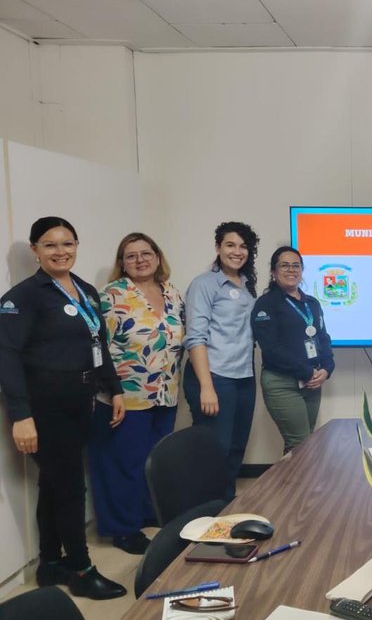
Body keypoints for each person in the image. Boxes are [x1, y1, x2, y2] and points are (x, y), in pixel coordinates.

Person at [0, 217, 127, 599]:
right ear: (35, 251)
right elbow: (6, 356)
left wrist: (114, 388)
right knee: (70, 486)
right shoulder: (23, 297)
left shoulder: (85, 290)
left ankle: (50, 562)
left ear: (76, 245)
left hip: (80, 401)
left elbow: (98, 343)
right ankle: (81, 569)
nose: (61, 251)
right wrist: (21, 415)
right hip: (44, 407)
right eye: (50, 245)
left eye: (67, 243)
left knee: (54, 483)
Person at [88, 233, 185, 555]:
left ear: (157, 257)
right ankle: (123, 528)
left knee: (151, 461)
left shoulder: (171, 292)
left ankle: (144, 512)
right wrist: (111, 390)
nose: (140, 260)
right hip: (124, 397)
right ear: (122, 263)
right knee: (123, 464)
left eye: (146, 253)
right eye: (131, 255)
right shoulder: (112, 296)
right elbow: (97, 349)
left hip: (164, 393)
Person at [183, 221, 259, 499]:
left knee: (236, 448)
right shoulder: (204, 284)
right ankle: (204, 510)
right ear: (218, 248)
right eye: (230, 245)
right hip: (214, 377)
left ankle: (225, 507)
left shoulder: (247, 285)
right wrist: (206, 386)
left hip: (244, 377)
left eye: (243, 246)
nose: (237, 251)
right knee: (215, 450)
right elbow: (195, 337)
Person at [252, 247, 335, 454]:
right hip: (282, 383)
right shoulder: (266, 304)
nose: (291, 270)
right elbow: (271, 349)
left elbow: (322, 338)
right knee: (299, 443)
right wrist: (307, 372)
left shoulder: (312, 303)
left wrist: (327, 368)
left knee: (304, 443)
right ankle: (294, 477)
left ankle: (295, 477)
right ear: (273, 271)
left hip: (312, 382)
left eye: (296, 265)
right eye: (284, 265)